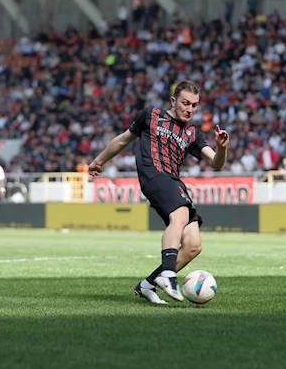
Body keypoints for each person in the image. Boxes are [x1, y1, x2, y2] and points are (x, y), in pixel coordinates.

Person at [88, 80, 230, 305]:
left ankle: (147, 285)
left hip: (174, 182)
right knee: (180, 216)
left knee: (193, 245)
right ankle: (168, 275)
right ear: (173, 101)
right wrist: (98, 161)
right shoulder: (151, 115)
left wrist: (221, 148)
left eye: (194, 105)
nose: (189, 109)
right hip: (154, 175)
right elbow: (123, 139)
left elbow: (216, 163)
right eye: (185, 103)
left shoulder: (193, 133)